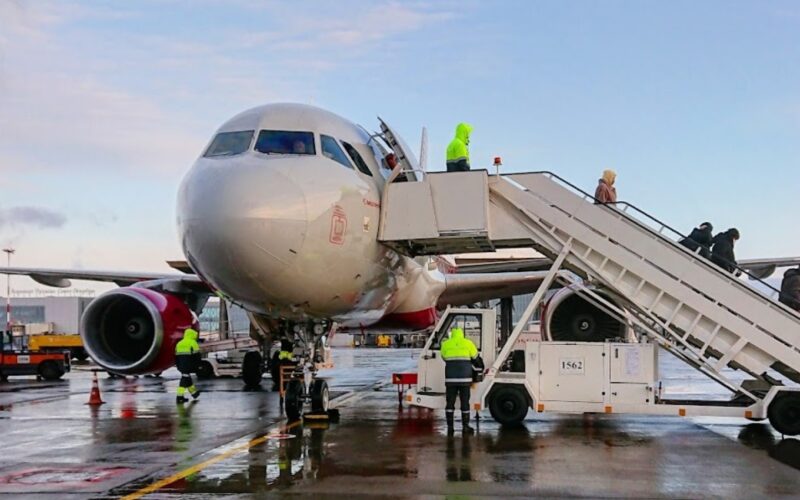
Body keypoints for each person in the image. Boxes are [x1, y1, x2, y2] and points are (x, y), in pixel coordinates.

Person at [441, 327, 479, 435]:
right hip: (465, 380)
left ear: (452, 334)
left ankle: (450, 427)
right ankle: (465, 426)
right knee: (465, 403)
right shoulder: (468, 343)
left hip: (450, 379)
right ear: (462, 334)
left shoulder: (446, 344)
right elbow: (476, 358)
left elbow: (443, 357)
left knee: (450, 403)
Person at [175, 328, 201, 404]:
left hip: (181, 365)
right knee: (184, 380)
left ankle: (194, 394)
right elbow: (197, 356)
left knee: (187, 378)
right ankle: (179, 397)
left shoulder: (179, 343)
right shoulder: (193, 343)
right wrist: (198, 365)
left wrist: (178, 366)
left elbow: (176, 356)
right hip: (189, 365)